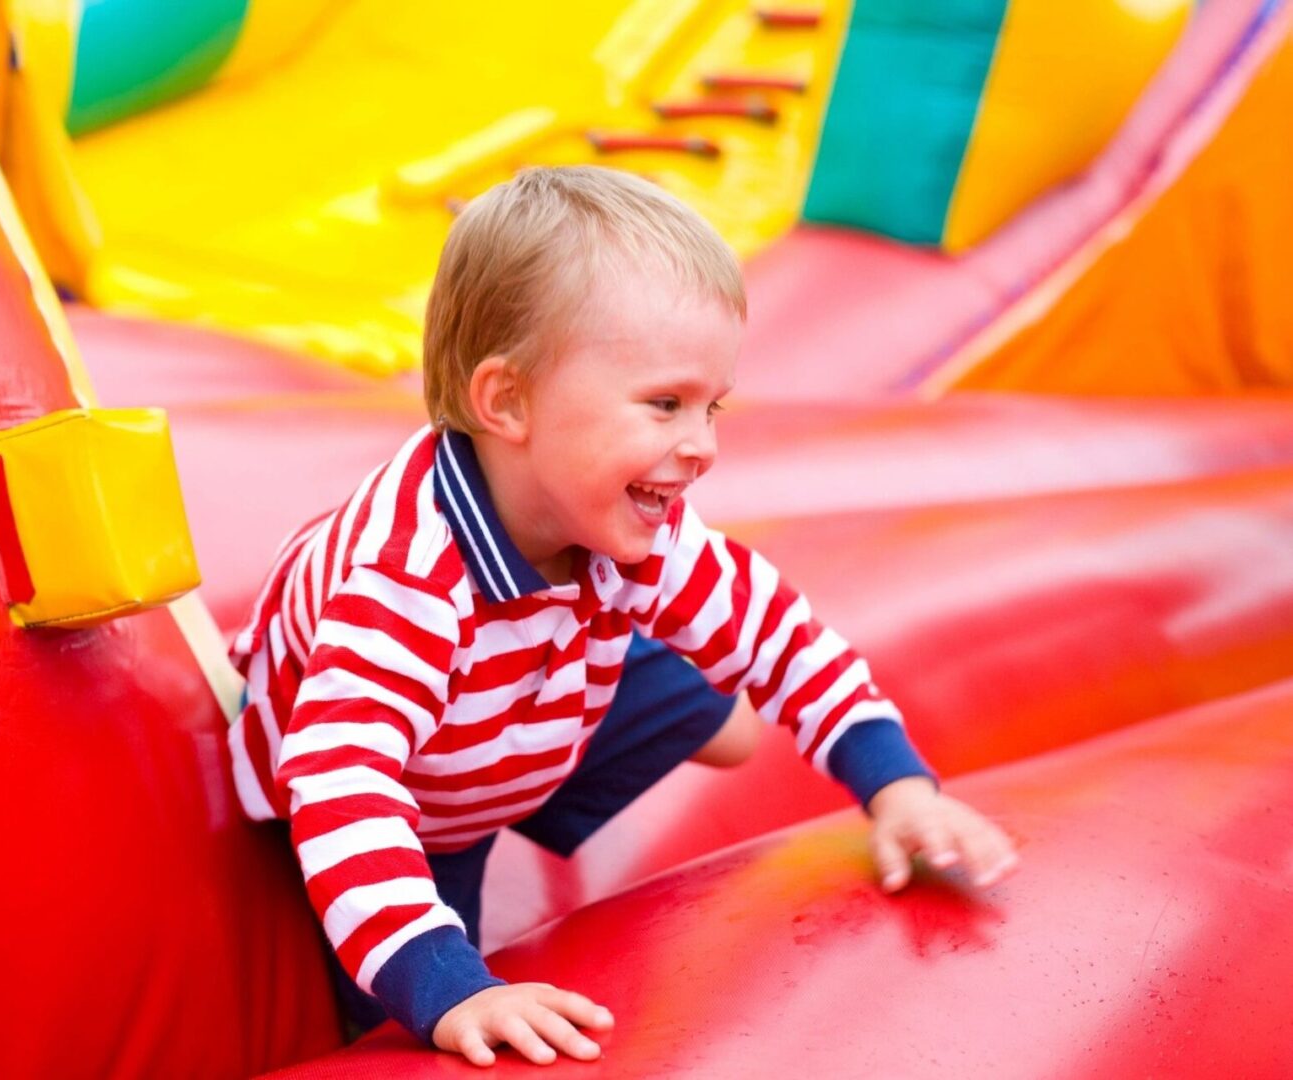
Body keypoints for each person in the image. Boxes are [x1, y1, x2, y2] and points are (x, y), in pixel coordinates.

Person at [227, 166, 1018, 1067]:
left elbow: (780, 634)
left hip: (540, 670)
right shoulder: (403, 587)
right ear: (509, 401)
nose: (704, 447)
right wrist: (451, 987)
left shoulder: (628, 521)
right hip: (428, 782)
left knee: (735, 721)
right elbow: (343, 795)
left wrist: (898, 786)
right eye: (666, 405)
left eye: (711, 407)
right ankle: (544, 752)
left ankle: (606, 710)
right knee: (397, 1018)